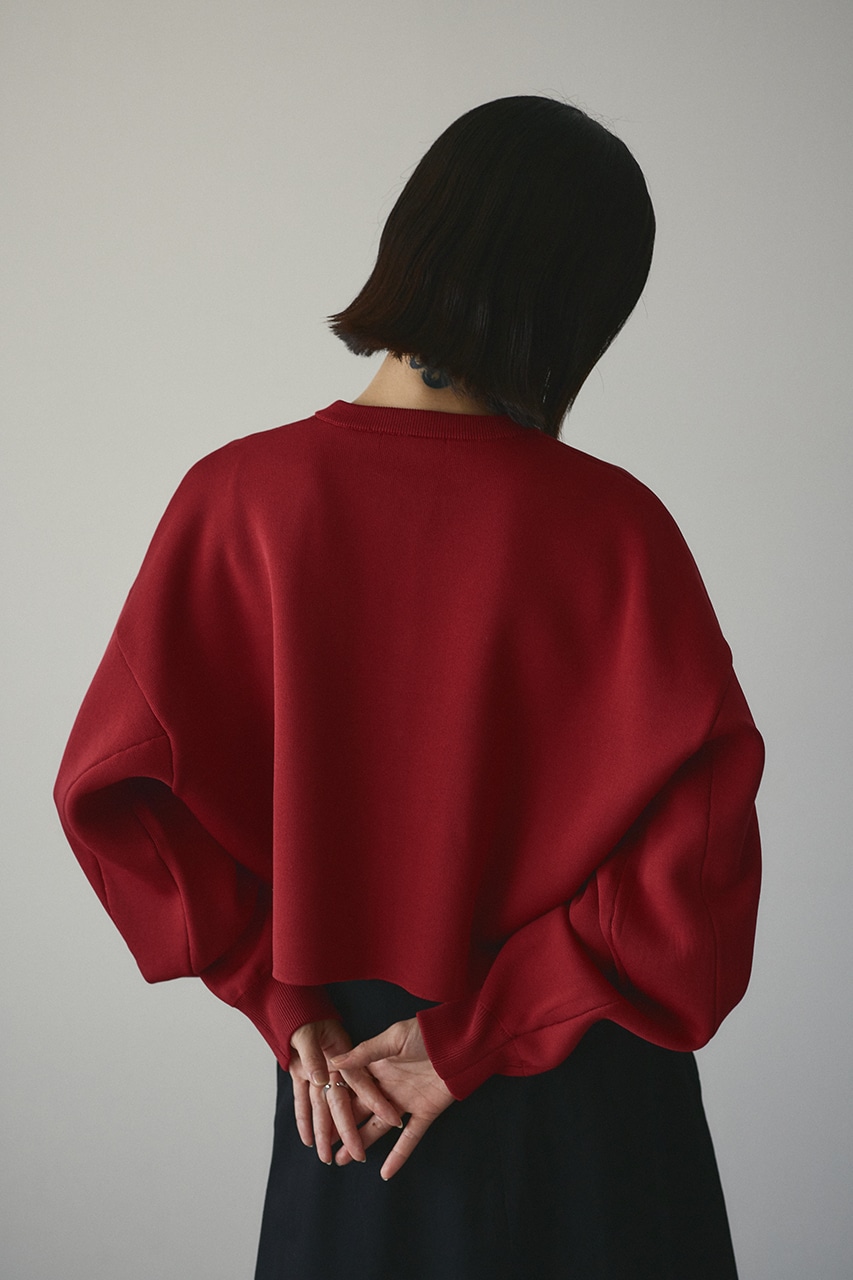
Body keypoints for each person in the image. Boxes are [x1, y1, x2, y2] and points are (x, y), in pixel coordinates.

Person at [53, 95, 764, 1278]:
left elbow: (116, 792)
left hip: (352, 1098)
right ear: (576, 308)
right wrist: (480, 1029)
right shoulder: (618, 533)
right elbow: (695, 874)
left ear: (415, 239)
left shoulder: (238, 503)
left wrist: (283, 994)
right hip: (593, 1115)